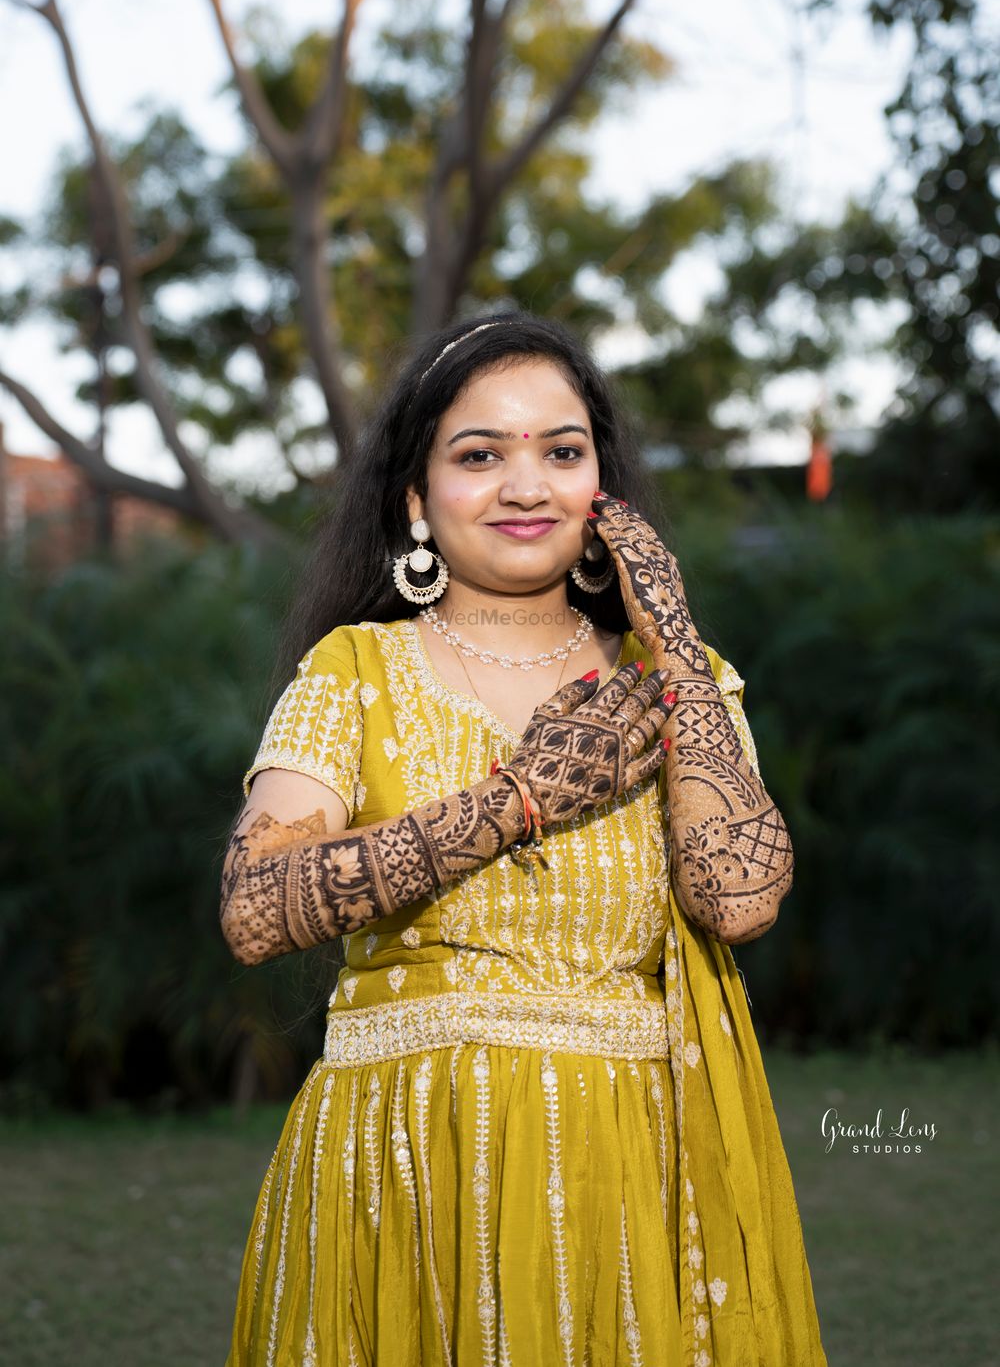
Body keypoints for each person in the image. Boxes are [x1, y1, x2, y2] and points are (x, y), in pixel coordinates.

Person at [221, 311, 828, 1366]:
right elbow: (255, 908)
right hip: (401, 1167)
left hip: (627, 1173)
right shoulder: (353, 674)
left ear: (605, 488)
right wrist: (517, 799)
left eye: (562, 450)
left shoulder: (669, 681)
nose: (525, 485)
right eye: (478, 454)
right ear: (415, 499)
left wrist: (675, 646)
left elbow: (741, 900)